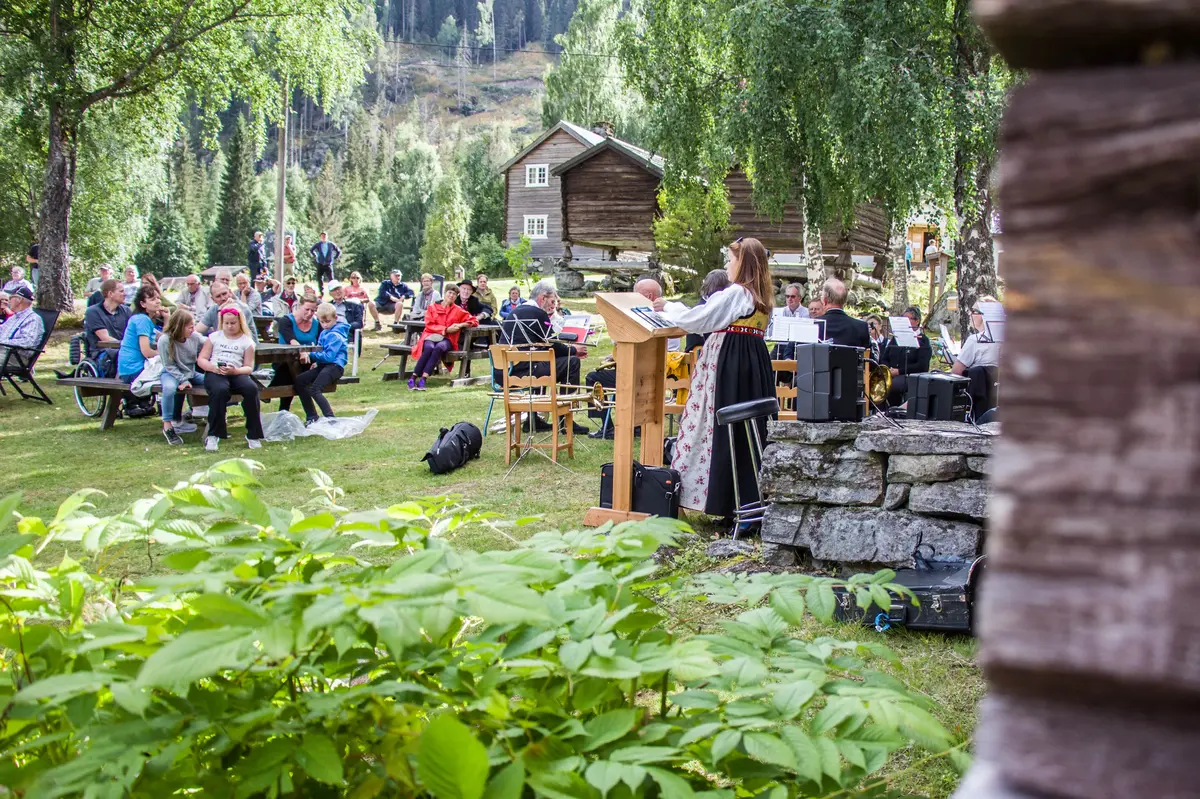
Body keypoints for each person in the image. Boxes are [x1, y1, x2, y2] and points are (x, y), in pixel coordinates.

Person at [651, 237, 776, 522]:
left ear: (742, 263)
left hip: (730, 363)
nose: (726, 265)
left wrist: (670, 307)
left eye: (730, 260)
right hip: (752, 362)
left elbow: (700, 319)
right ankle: (746, 498)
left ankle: (725, 499)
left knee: (720, 427)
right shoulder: (762, 297)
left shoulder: (736, 294)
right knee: (748, 432)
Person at [503, 280, 588, 433]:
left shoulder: (514, 312)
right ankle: (564, 419)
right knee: (572, 362)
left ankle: (533, 420)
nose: (552, 305)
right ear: (542, 298)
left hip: (506, 371)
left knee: (541, 359)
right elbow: (552, 344)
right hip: (525, 370)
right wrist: (574, 350)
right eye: (551, 301)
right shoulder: (537, 313)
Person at [198, 307, 264, 452]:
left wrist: (235, 371)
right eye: (226, 323)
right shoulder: (214, 337)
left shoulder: (247, 341)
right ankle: (214, 434)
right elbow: (201, 359)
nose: (229, 326)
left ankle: (253, 434)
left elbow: (248, 367)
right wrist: (213, 368)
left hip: (236, 372)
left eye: (233, 323)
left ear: (239, 322)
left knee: (251, 389)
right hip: (215, 372)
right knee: (219, 390)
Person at [408, 290, 478, 391]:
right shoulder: (432, 307)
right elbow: (429, 325)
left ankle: (423, 379)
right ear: (444, 293)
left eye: (454, 294)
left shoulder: (458, 310)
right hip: (431, 335)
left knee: (439, 348)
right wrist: (445, 329)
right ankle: (413, 378)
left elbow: (474, 321)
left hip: (447, 339)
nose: (452, 295)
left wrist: (460, 325)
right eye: (450, 293)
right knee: (429, 347)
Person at [293, 303, 350, 424]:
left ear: (335, 318)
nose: (325, 325)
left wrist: (311, 355)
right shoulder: (324, 332)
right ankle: (311, 416)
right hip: (324, 365)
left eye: (327, 321)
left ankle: (330, 418)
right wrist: (317, 362)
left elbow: (329, 356)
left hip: (335, 367)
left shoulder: (335, 335)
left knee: (315, 389)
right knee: (300, 380)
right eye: (322, 322)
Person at [158, 308, 206, 445]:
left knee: (212, 383)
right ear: (180, 327)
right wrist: (182, 379)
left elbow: (207, 342)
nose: (192, 330)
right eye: (189, 327)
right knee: (169, 389)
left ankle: (214, 418)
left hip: (190, 372)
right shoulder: (165, 340)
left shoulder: (194, 337)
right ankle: (168, 425)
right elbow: (169, 365)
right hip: (171, 373)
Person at [270, 293, 321, 412]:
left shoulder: (316, 324)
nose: (309, 314)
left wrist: (316, 359)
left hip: (308, 362)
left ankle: (286, 410)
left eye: (313, 311)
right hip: (285, 361)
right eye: (307, 309)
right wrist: (302, 350)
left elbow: (320, 344)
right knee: (292, 371)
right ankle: (309, 413)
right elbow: (291, 340)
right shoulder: (286, 321)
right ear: (299, 306)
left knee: (299, 377)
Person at [881, 306, 933, 405]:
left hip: (909, 376)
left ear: (917, 321)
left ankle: (892, 411)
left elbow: (922, 366)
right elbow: (885, 358)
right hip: (891, 373)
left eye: (907, 319)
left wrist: (899, 371)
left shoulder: (923, 341)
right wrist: (887, 370)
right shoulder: (896, 338)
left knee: (892, 386)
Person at [117, 286, 166, 384]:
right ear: (143, 304)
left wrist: (167, 318)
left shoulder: (142, 319)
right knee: (174, 373)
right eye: (152, 299)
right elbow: (146, 352)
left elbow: (164, 338)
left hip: (131, 370)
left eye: (158, 298)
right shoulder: (142, 320)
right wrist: (163, 355)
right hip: (134, 370)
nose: (158, 301)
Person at [83, 279, 132, 375]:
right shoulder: (93, 312)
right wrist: (129, 347)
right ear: (110, 294)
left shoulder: (126, 311)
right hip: (103, 355)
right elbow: (105, 338)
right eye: (121, 291)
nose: (125, 294)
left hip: (124, 350)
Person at [952, 295, 1002, 376]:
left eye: (974, 311)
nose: (969, 313)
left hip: (978, 387)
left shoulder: (975, 340)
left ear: (985, 315)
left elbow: (956, 372)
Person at [818, 278, 869, 349]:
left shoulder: (812, 325)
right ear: (845, 302)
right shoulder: (861, 327)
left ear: (825, 300)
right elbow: (867, 357)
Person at [769, 282, 810, 362]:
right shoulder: (779, 312)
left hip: (798, 347)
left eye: (792, 296)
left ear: (800, 298)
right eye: (787, 296)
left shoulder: (806, 313)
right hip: (781, 345)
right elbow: (771, 332)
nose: (789, 299)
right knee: (770, 364)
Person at [0, 286, 43, 353]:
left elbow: (27, 341)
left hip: (12, 356)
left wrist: (2, 342)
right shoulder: (14, 317)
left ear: (19, 300)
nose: (8, 301)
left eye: (11, 297)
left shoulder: (33, 319)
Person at [309, 232, 341, 296]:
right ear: (320, 237)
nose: (323, 237)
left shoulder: (331, 244)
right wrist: (315, 255)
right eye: (322, 236)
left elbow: (338, 251)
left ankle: (332, 291)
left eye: (325, 236)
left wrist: (335, 257)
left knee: (331, 279)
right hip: (320, 263)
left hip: (328, 264)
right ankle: (321, 291)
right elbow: (311, 250)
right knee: (319, 278)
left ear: (327, 237)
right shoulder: (318, 244)